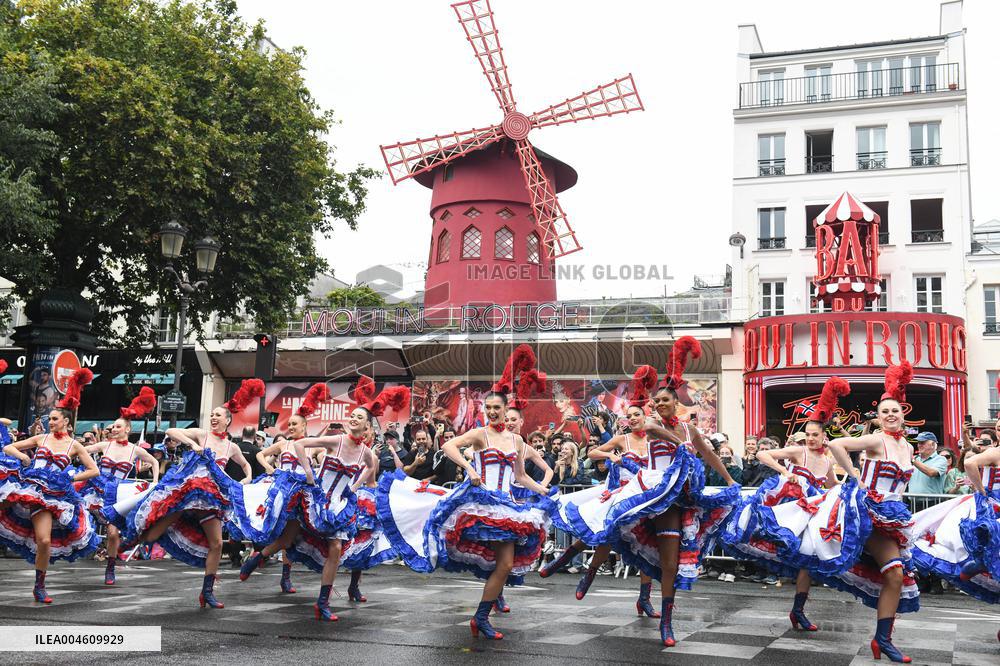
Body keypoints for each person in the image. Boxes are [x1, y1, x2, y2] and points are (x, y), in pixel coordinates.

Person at [548, 339, 740, 648]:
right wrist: (679, 444)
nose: (660, 404)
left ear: (676, 403)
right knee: (606, 528)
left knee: (670, 564)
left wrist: (730, 480)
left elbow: (709, 454)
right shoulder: (649, 424)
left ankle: (666, 619)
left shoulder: (690, 430)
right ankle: (571, 561)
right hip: (647, 494)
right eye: (657, 401)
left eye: (665, 400)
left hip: (677, 501)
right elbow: (654, 430)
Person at [377, 361, 553, 640]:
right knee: (503, 564)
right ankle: (481, 618)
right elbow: (449, 446)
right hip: (484, 503)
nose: (492, 412)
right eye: (488, 407)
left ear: (506, 409)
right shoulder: (480, 434)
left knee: (504, 564)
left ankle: (481, 616)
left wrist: (542, 490)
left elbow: (520, 476)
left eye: (497, 408)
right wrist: (470, 469)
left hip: (508, 506)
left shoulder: (517, 441)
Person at [240, 381, 391, 621]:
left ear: (367, 425)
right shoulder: (337, 440)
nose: (354, 419)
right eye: (352, 415)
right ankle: (258, 558)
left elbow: (371, 468)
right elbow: (300, 445)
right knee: (287, 538)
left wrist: (354, 487)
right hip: (314, 498)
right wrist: (310, 474)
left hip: (338, 505)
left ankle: (323, 603)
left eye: (359, 417)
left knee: (336, 548)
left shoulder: (366, 452)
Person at [722, 377, 850, 633]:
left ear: (824, 436)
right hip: (791, 508)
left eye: (815, 435)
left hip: (813, 512)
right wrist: (785, 471)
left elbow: (832, 484)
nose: (810, 439)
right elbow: (761, 454)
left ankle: (798, 610)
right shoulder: (799, 452)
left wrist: (850, 488)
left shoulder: (827, 461)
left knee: (807, 561)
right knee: (790, 551)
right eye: (808, 434)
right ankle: (796, 607)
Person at [122, 380, 260, 609]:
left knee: (217, 544)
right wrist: (192, 444)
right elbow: (171, 431)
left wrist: (244, 481)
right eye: (212, 415)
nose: (213, 418)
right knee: (154, 532)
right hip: (188, 494)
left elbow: (246, 466)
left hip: (210, 499)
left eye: (218, 415)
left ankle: (207, 592)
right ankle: (130, 539)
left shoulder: (232, 447)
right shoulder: (201, 434)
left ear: (228, 420)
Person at [543, 368, 664, 619]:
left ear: (645, 417)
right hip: (618, 494)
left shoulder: (655, 442)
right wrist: (611, 456)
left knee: (646, 547)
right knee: (601, 533)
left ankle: (644, 599)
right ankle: (580, 570)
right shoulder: (622, 440)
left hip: (643, 499)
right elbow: (592, 453)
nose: (633, 418)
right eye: (629, 415)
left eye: (637, 415)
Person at [825, 363, 920, 663]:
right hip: (869, 513)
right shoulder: (877, 439)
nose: (890, 415)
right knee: (894, 574)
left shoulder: (908, 447)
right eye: (884, 411)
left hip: (894, 516)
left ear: (903, 413)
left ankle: (882, 640)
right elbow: (836, 444)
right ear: (878, 417)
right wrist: (855, 477)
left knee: (895, 577)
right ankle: (883, 640)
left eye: (895, 410)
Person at [235, 384, 332, 595]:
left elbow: (324, 458)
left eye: (294, 424)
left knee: (290, 538)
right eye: (289, 424)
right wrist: (270, 468)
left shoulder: (312, 444)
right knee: (284, 536)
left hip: (301, 494)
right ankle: (271, 568)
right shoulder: (283, 445)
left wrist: (320, 464)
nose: (291, 427)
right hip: (281, 490)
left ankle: (266, 566)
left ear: (304, 426)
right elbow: (260, 454)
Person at [0, 406, 99, 603]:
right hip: (30, 486)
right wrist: (23, 457)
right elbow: (8, 447)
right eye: (50, 419)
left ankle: (39, 586)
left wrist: (70, 478)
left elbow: (93, 470)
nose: (51, 422)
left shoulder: (74, 445)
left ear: (66, 422)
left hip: (52, 496)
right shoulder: (41, 438)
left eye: (55, 419)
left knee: (44, 541)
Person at [911, 438, 1000, 639]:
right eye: (998, 428)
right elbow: (969, 463)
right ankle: (977, 564)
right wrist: (982, 491)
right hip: (994, 508)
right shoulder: (996, 452)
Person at [78, 390, 160, 585]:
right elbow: (81, 451)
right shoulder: (104, 445)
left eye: (118, 426)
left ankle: (110, 567)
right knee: (77, 518)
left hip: (116, 495)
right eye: (113, 426)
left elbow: (155, 462)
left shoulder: (134, 450)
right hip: (96, 490)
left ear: (127, 429)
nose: (114, 429)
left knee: (113, 533)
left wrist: (156, 481)